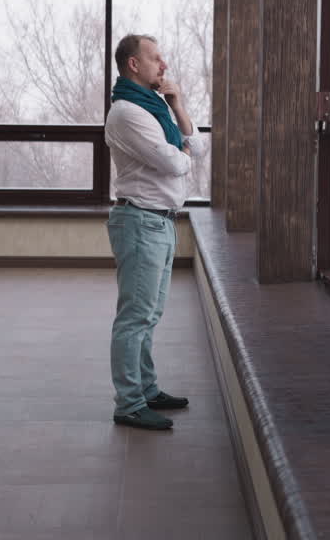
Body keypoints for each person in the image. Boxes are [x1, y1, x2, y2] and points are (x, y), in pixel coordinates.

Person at [104, 33, 207, 431]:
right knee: (135, 317)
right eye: (155, 58)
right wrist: (181, 153)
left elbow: (196, 151)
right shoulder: (128, 113)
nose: (163, 65)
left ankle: (146, 390)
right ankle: (129, 403)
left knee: (149, 315)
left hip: (159, 220)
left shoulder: (157, 108)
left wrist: (178, 105)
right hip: (141, 222)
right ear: (134, 64)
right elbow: (175, 164)